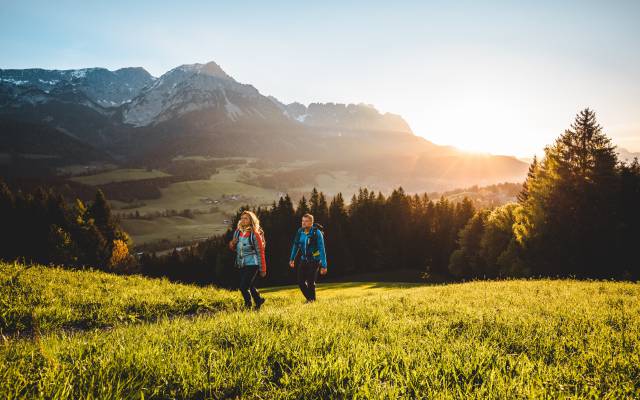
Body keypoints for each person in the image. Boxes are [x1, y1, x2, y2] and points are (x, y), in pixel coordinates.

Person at [229, 210, 267, 309]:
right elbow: (234, 248)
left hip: (252, 264)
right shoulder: (237, 232)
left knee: (243, 287)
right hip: (241, 263)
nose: (243, 220)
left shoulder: (255, 234)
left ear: (251, 220)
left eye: (246, 218)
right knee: (250, 285)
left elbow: (260, 252)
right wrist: (232, 243)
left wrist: (263, 268)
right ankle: (258, 301)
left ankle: (247, 305)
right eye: (242, 218)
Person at [289, 213, 327, 302]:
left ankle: (311, 300)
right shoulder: (300, 231)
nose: (303, 223)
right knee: (300, 282)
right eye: (302, 221)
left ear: (311, 222)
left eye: (306, 221)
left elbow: (322, 249)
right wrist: (292, 259)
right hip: (304, 259)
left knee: (310, 282)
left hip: (315, 260)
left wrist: (324, 266)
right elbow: (296, 245)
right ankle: (310, 299)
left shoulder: (316, 233)